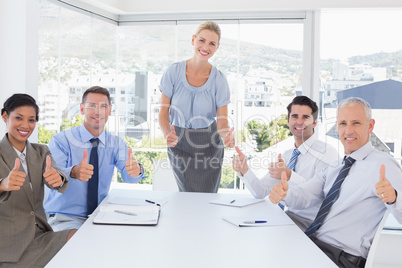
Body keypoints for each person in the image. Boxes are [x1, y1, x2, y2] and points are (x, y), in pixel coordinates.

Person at [269, 97, 402, 268]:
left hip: (340, 258)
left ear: (370, 126)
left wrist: (394, 198)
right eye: (342, 123)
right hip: (315, 246)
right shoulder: (335, 166)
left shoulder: (383, 164)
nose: (348, 131)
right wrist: (285, 192)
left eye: (356, 123)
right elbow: (304, 196)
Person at [44, 86, 145, 231]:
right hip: (65, 217)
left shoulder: (116, 143)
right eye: (92, 106)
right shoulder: (61, 140)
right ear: (82, 109)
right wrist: (74, 172)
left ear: (109, 111)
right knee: (77, 244)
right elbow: (55, 176)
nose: (98, 111)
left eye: (103, 106)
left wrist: (136, 170)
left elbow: (129, 176)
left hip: (101, 216)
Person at [233, 96, 339, 230]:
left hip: (310, 224)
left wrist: (289, 175)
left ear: (315, 123)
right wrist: (245, 170)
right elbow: (261, 192)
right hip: (286, 217)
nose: (299, 122)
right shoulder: (287, 155)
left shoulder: (326, 152)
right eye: (295, 116)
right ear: (288, 121)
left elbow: (319, 197)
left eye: (305, 117)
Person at [0, 94, 76, 267]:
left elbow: (54, 174)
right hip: (8, 244)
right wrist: (3, 184)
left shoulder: (42, 151)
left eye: (31, 120)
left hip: (40, 236)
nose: (25, 125)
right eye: (18, 118)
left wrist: (57, 178)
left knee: (77, 237)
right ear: (5, 116)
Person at [159, 21, 234, 193]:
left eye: (212, 43)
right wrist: (166, 134)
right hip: (179, 141)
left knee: (207, 197)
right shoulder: (173, 72)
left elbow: (222, 124)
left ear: (217, 47)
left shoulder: (219, 80)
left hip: (209, 144)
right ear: (193, 40)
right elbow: (163, 112)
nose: (205, 47)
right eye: (202, 40)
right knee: (187, 194)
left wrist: (227, 137)